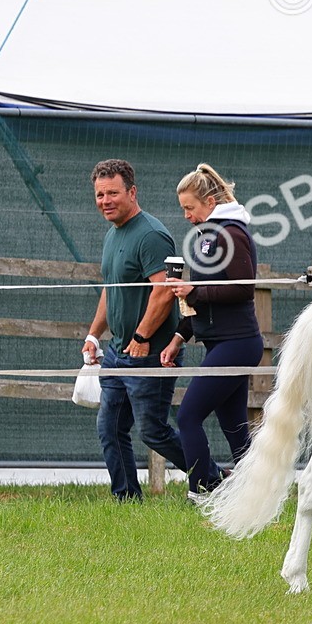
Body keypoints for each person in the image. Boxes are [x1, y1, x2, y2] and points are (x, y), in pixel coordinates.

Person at [82, 159, 188, 501]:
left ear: (132, 192)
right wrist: (93, 335)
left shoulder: (151, 235)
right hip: (117, 352)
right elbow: (111, 289)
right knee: (109, 429)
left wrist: (142, 337)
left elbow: (164, 292)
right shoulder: (112, 234)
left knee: (154, 432)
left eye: (112, 193)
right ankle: (126, 498)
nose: (105, 201)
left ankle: (214, 479)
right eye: (100, 195)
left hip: (152, 352)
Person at [160, 164, 263, 502]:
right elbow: (201, 298)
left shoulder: (231, 234)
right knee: (234, 427)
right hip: (222, 343)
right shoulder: (208, 235)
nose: (186, 216)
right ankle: (256, 493)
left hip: (238, 343)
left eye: (190, 208)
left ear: (209, 202)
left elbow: (244, 289)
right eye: (183, 209)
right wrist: (178, 338)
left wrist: (194, 292)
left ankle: (203, 489)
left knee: (189, 416)